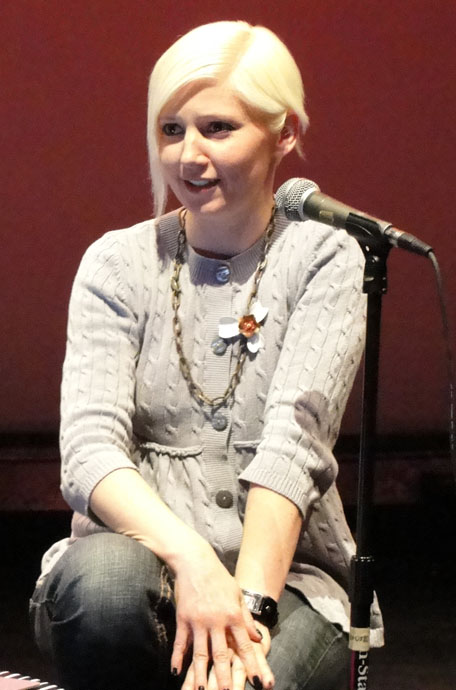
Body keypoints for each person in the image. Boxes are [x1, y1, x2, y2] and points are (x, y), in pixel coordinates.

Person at [29, 20, 384, 690]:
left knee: (242, 684)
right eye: (171, 129)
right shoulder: (118, 264)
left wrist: (243, 609)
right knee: (103, 590)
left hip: (291, 579)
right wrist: (192, 559)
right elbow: (89, 451)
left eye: (218, 128)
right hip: (142, 559)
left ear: (284, 133)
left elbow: (294, 447)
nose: (189, 154)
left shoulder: (325, 258)